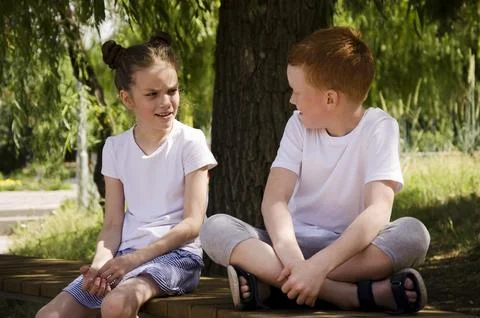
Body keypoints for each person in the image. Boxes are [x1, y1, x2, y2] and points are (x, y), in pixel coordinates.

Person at [200, 26, 430, 314]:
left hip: (349, 251)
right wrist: (297, 262)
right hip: (289, 247)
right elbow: (274, 200)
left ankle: (276, 285)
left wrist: (319, 267)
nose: (291, 100)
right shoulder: (297, 125)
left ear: (330, 99)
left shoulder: (380, 128)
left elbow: (377, 213)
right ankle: (348, 295)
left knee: (414, 234)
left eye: (297, 92)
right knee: (214, 227)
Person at [36, 32, 217, 318]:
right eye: (152, 94)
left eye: (172, 90)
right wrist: (99, 266)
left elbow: (193, 224)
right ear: (126, 98)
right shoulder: (115, 147)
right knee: (49, 315)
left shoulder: (190, 141)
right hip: (125, 258)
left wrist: (133, 261)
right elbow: (111, 226)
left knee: (116, 304)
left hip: (178, 257)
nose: (166, 102)